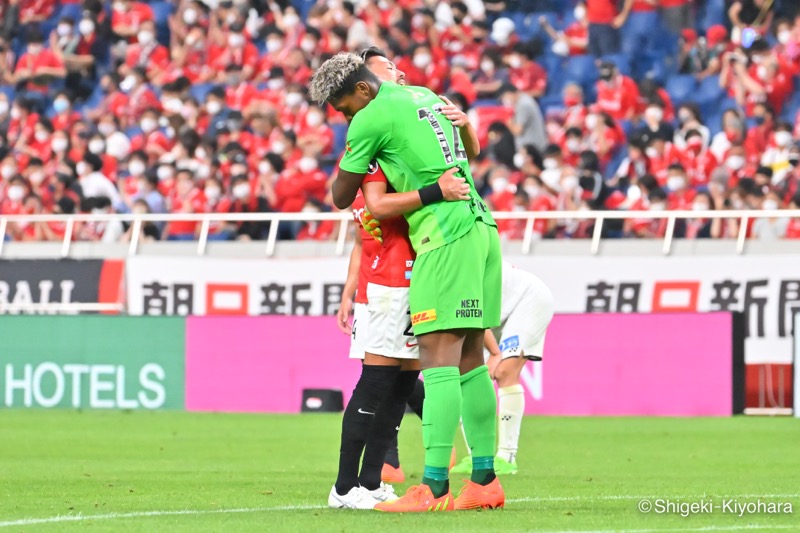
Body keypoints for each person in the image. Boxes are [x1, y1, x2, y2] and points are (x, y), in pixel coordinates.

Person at [311, 52, 504, 512]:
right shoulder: (425, 96)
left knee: (437, 360)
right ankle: (484, 480)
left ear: (361, 89)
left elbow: (342, 197)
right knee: (471, 358)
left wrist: (363, 150)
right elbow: (471, 150)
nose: (344, 118)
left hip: (443, 236)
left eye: (342, 108)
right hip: (481, 226)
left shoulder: (370, 118)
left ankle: (434, 488)